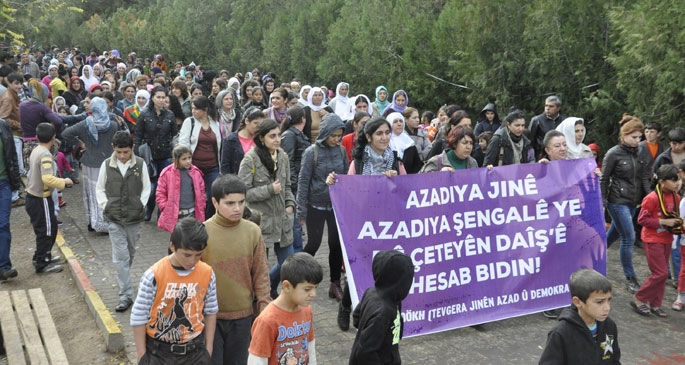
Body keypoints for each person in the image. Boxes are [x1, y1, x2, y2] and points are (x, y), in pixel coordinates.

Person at [202, 174, 270, 365]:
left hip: (243, 317)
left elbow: (261, 273)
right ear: (215, 202)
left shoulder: (252, 231)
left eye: (241, 202)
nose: (237, 208)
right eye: (230, 203)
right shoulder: (202, 232)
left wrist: (264, 308)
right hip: (210, 318)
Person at [130, 218, 218, 364]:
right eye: (187, 255)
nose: (192, 261)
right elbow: (138, 316)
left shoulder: (207, 273)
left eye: (199, 255)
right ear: (172, 246)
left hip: (195, 351)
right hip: (159, 353)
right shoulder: (153, 275)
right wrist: (142, 357)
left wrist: (208, 350)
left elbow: (211, 310)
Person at [237, 119, 295, 299]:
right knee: (260, 265)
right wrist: (270, 190)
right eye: (272, 136)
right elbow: (242, 193)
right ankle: (259, 296)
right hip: (262, 223)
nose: (277, 139)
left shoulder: (283, 156)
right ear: (261, 138)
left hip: (282, 220)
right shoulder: (250, 159)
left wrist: (290, 205)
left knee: (289, 263)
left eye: (278, 135)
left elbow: (287, 186)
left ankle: (267, 287)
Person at [95, 131, 151, 312]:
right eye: (119, 152)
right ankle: (126, 295)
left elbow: (146, 188)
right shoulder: (106, 165)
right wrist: (105, 206)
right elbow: (100, 188)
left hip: (134, 218)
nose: (122, 156)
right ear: (114, 149)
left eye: (126, 152)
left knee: (130, 253)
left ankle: (124, 281)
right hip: (114, 218)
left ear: (132, 149)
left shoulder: (140, 164)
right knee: (121, 257)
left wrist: (140, 206)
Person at [297, 113, 349, 301]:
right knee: (314, 243)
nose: (336, 139)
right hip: (315, 206)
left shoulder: (342, 151)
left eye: (339, 135)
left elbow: (345, 178)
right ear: (325, 133)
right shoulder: (312, 152)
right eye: (333, 135)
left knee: (335, 245)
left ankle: (334, 284)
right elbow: (303, 182)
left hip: (335, 206)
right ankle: (297, 273)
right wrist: (300, 210)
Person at [601, 114, 651, 294]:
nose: (637, 141)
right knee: (628, 237)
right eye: (634, 137)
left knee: (613, 234)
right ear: (624, 135)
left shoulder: (641, 151)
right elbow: (604, 178)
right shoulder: (613, 153)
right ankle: (631, 277)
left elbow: (644, 176)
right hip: (617, 201)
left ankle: (592, 259)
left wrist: (651, 197)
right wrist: (602, 201)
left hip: (634, 201)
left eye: (639, 137)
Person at [248, 253, 322, 364]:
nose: (313, 294)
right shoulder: (267, 320)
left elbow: (310, 345)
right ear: (287, 286)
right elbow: (257, 360)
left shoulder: (307, 311)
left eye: (315, 288)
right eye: (307, 289)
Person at [630, 164, 682, 317]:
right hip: (652, 239)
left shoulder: (676, 197)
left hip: (666, 238)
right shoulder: (651, 198)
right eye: (673, 180)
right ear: (662, 181)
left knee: (662, 274)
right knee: (660, 272)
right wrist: (662, 222)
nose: (677, 183)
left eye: (678, 180)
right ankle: (640, 297)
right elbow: (641, 219)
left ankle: (656, 303)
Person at [538, 268, 620, 364]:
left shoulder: (609, 326)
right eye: (599, 302)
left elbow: (614, 360)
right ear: (577, 302)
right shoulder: (561, 333)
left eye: (608, 300)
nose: (607, 308)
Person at [62, 97, 119, 233]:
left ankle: (92, 222)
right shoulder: (113, 125)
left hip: (89, 164)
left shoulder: (85, 124)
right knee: (106, 193)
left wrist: (80, 143)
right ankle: (104, 222)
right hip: (108, 163)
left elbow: (65, 133)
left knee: (91, 194)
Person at [348, 250, 415, 365]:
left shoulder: (374, 292)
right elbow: (365, 352)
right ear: (399, 283)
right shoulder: (383, 313)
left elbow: (356, 317)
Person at [25, 123, 72, 274]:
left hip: (34, 197)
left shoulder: (36, 150)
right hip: (41, 198)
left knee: (49, 228)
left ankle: (43, 256)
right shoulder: (45, 155)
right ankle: (42, 263)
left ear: (37, 137)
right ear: (53, 138)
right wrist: (64, 182)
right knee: (46, 231)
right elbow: (47, 178)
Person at [134, 86, 179, 221]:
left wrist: (175, 152)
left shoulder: (170, 115)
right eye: (158, 97)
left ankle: (162, 212)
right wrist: (138, 154)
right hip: (150, 157)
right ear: (152, 98)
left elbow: (175, 135)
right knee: (152, 188)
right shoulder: (144, 115)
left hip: (166, 155)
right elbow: (138, 136)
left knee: (164, 186)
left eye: (163, 97)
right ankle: (149, 207)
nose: (160, 100)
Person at [177, 96, 221, 218]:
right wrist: (185, 162)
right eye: (192, 108)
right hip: (194, 167)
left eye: (196, 109)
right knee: (195, 195)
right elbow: (183, 143)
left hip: (213, 167)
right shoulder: (189, 122)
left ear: (205, 110)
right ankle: (196, 221)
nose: (193, 111)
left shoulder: (215, 123)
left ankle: (208, 220)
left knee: (213, 194)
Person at [156, 145, 206, 234]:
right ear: (175, 160)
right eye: (184, 159)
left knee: (192, 240)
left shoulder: (196, 173)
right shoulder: (167, 174)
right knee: (176, 242)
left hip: (193, 213)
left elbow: (201, 191)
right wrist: (165, 207)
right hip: (176, 215)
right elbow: (160, 193)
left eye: (189, 158)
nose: (188, 161)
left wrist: (202, 205)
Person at [281, 106, 310, 253]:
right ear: (303, 119)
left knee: (298, 222)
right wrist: (294, 183)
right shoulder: (290, 136)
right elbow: (288, 161)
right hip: (294, 184)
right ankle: (296, 255)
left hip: (299, 181)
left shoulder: (298, 135)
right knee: (295, 222)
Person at [0, 114, 22, 281]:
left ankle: (4, 267)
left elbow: (12, 155)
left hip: (4, 183)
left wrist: (15, 181)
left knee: (3, 224)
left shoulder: (3, 126)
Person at [220, 106, 264, 175]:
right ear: (246, 121)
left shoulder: (261, 139)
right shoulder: (230, 140)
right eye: (255, 123)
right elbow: (225, 167)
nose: (258, 127)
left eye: (261, 124)